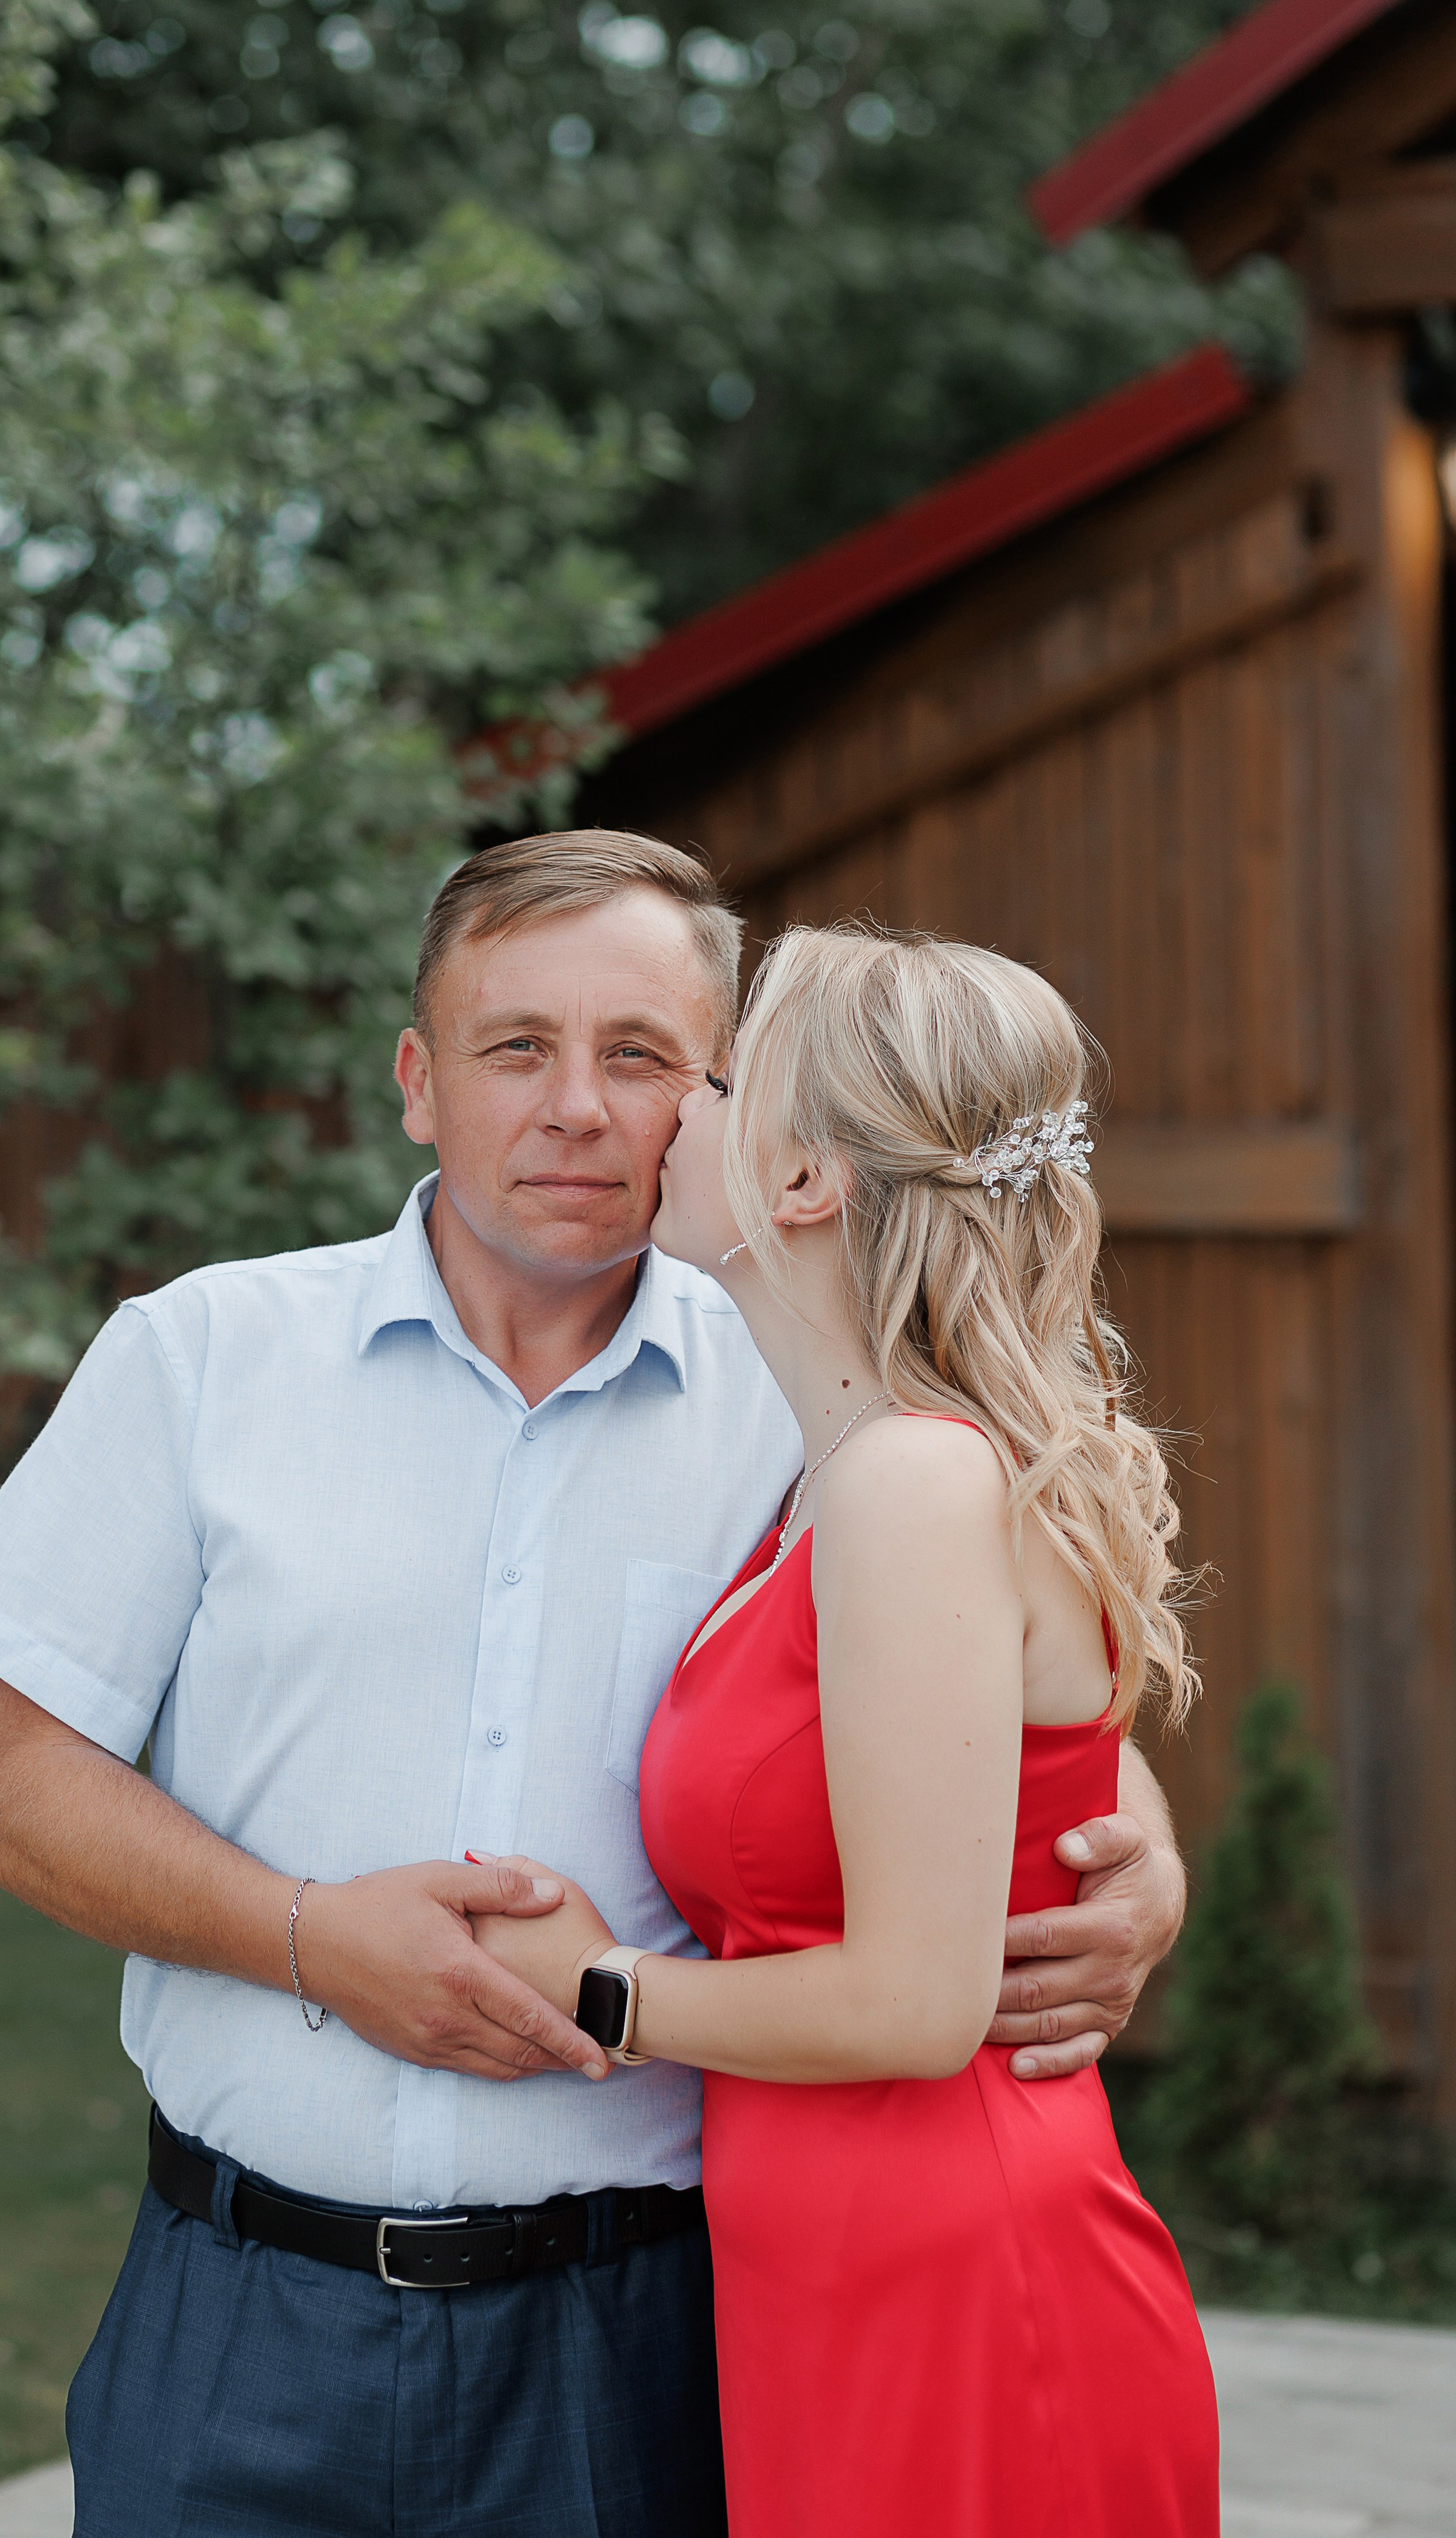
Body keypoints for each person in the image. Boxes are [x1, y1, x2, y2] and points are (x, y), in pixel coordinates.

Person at [0, 833, 1190, 2538]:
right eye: (516, 1047)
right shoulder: (203, 1356)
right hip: (237, 2310)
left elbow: (1007, 1696)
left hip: (648, 2334)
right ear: (416, 1082)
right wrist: (309, 1936)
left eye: (648, 1057)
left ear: (720, 1109)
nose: (579, 1105)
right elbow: (9, 1799)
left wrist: (1139, 1863)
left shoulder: (812, 1408)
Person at [476, 923, 1219, 2537]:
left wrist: (593, 1989)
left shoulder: (905, 1481)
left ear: (802, 1181)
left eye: (717, 1078)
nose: (668, 1112)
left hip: (954, 2262)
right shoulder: (840, 1477)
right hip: (830, 2257)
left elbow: (910, 2004)